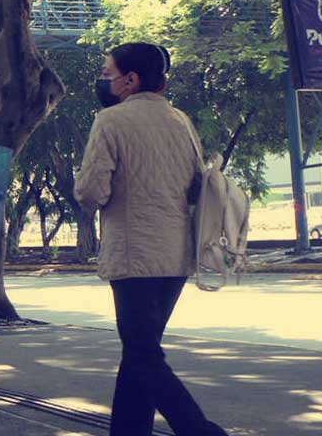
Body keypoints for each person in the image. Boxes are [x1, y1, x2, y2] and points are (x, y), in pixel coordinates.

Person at [74, 42, 229, 436]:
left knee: (143, 356)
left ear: (131, 80)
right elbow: (197, 185)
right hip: (176, 255)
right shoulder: (181, 121)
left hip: (133, 256)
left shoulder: (110, 121)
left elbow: (92, 193)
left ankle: (202, 430)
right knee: (140, 353)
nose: (103, 80)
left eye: (108, 73)